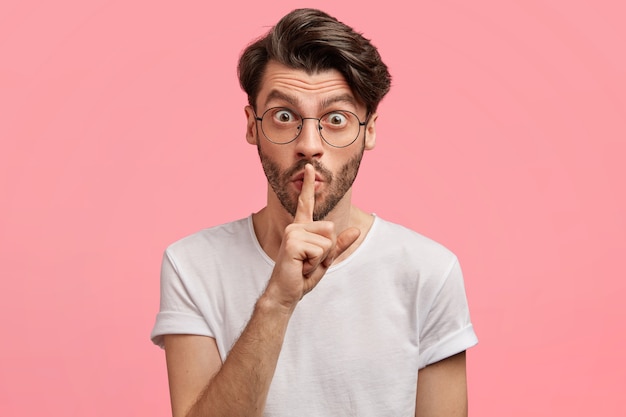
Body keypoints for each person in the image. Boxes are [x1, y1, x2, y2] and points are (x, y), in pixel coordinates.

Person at [151, 8, 478, 417]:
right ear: (252, 126)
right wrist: (276, 302)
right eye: (284, 116)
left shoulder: (429, 272)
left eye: (336, 119)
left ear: (369, 129)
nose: (309, 144)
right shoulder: (192, 265)